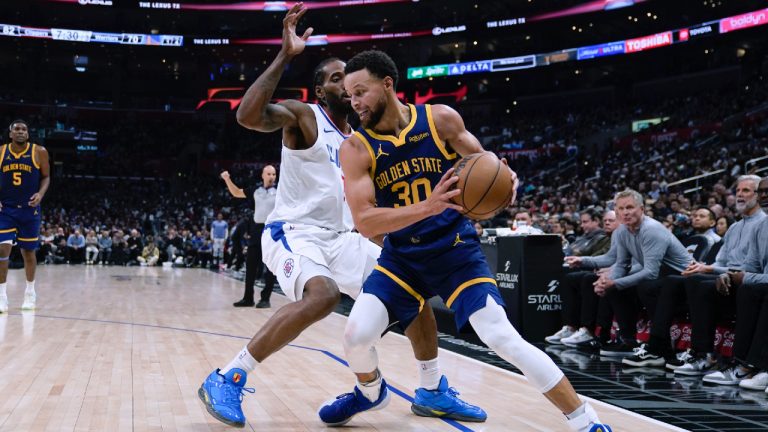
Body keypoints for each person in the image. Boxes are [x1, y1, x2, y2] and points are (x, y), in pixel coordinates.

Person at [198, 5, 483, 428]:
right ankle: (227, 376)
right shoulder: (304, 118)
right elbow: (247, 116)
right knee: (324, 295)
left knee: (413, 292)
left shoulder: (362, 142)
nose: (348, 89)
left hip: (344, 237)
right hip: (294, 232)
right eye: (336, 80)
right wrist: (285, 55)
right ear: (319, 91)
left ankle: (431, 388)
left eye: (352, 83)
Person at [320, 49, 611, 432]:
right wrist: (429, 206)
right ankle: (371, 391)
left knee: (501, 335)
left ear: (387, 85)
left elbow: (485, 163)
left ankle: (586, 421)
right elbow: (367, 223)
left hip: (454, 250)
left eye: (361, 91)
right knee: (355, 338)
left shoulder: (439, 119)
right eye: (350, 96)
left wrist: (507, 179)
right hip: (402, 258)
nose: (354, 102)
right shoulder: (356, 147)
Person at [0, 120, 50, 313]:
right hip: (6, 209)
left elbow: (46, 176)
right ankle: (2, 296)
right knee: (2, 250)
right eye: (17, 129)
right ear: (10, 134)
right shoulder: (2, 152)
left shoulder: (39, 151)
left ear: (27, 134)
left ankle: (30, 292)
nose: (20, 132)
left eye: (24, 129)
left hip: (29, 210)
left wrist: (41, 194)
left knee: (28, 253)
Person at [220, 167, 278, 308]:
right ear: (263, 175)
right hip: (256, 229)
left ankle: (265, 298)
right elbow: (236, 192)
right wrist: (227, 179)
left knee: (270, 266)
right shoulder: (256, 191)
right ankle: (248, 298)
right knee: (251, 265)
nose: (271, 176)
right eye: (269, 174)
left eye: (274, 174)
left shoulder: (281, 192)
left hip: (272, 230)